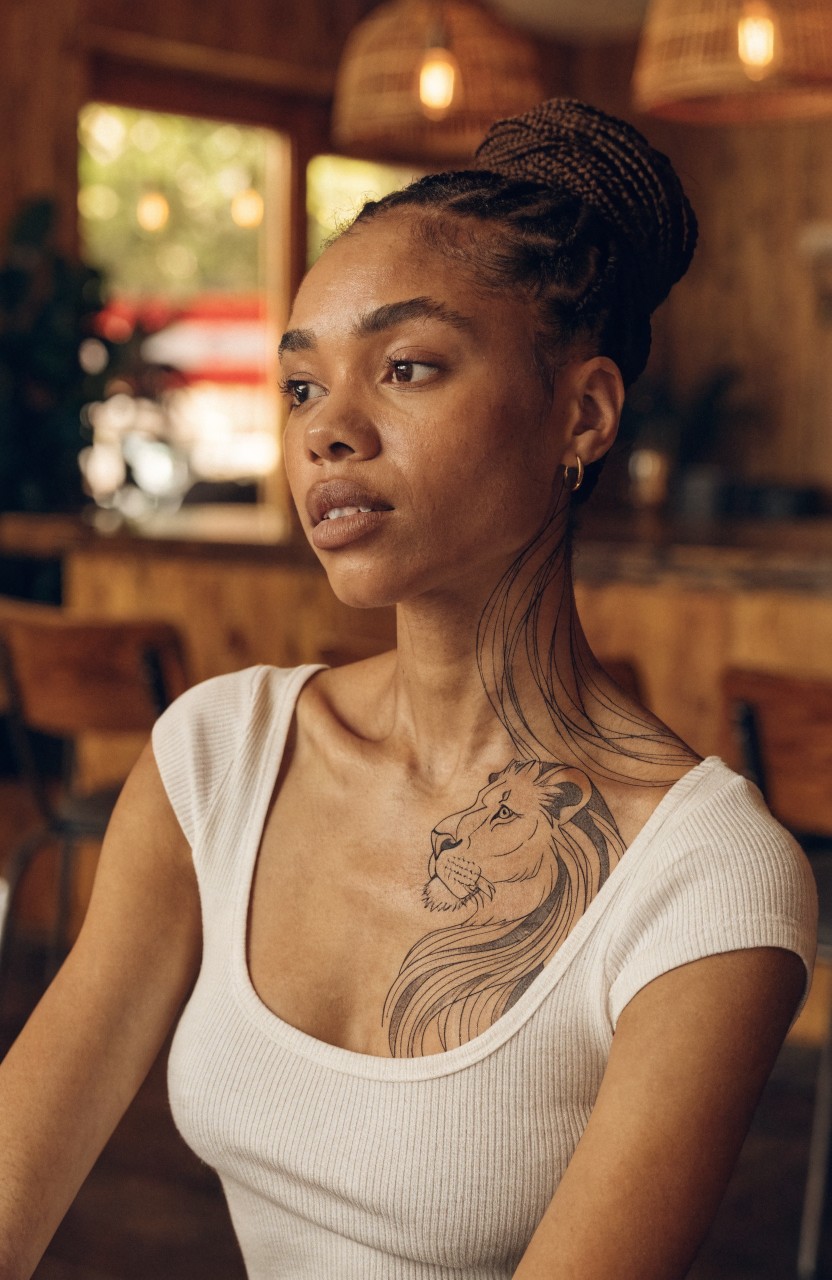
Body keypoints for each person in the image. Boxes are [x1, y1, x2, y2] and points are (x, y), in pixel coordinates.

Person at [0, 99, 817, 1280]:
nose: (329, 430)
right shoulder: (217, 760)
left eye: (406, 367)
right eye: (298, 387)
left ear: (581, 414)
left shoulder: (702, 884)